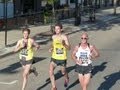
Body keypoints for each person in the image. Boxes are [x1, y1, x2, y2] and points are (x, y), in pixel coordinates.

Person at [49, 23, 70, 90]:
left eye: (58, 29)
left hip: (62, 58)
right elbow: (53, 45)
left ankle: (67, 78)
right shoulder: (53, 37)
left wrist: (64, 44)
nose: (56, 30)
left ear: (61, 29)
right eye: (55, 29)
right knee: (50, 71)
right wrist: (51, 48)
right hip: (54, 57)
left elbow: (69, 48)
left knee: (63, 72)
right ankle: (54, 87)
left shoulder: (64, 37)